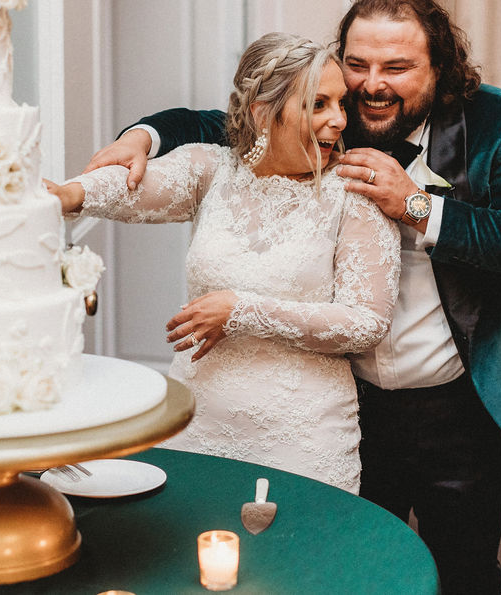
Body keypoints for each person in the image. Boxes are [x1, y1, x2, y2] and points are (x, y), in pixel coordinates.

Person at [84, 0, 501, 595]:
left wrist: (418, 205)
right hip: (355, 402)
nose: (373, 84)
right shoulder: (333, 120)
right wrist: (144, 134)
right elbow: (229, 122)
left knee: (465, 570)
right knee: (351, 567)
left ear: (441, 70)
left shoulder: (500, 123)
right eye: (358, 64)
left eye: (397, 67)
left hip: (462, 405)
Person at [48, 33, 400, 493]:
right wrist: (67, 195)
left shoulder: (355, 194)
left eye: (340, 104)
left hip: (301, 435)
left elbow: (366, 322)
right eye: (318, 105)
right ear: (262, 114)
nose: (338, 120)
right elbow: (131, 189)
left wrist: (242, 311)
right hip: (198, 418)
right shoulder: (212, 169)